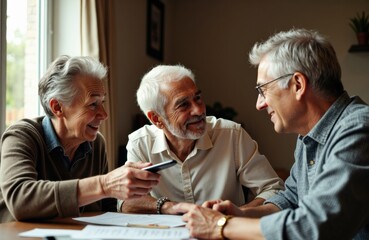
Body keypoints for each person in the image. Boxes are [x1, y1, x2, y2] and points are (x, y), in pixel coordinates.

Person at [174, 28, 369, 240]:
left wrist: (221, 226)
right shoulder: (309, 136)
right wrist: (241, 214)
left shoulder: (359, 129)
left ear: (297, 84)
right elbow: (291, 199)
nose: (259, 104)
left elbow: (316, 225)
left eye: (263, 90)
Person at [0, 55, 160, 223]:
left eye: (103, 102)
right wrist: (105, 185)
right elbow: (21, 200)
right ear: (58, 107)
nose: (104, 114)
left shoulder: (96, 143)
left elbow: (108, 210)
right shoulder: (21, 135)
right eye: (93, 104)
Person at [120, 64, 284, 215]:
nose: (199, 110)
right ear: (157, 119)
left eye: (197, 98)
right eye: (183, 105)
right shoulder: (140, 143)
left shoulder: (231, 134)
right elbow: (126, 201)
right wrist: (170, 207)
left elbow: (274, 190)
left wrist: (237, 213)